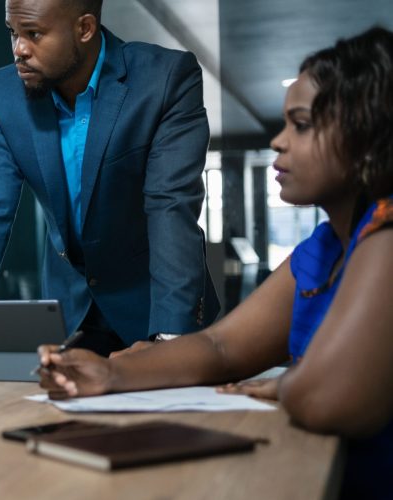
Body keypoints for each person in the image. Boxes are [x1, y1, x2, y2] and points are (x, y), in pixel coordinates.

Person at [37, 28, 393, 498]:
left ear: (367, 138)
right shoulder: (325, 247)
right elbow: (222, 348)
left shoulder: (385, 238)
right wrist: (111, 373)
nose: (280, 142)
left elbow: (328, 398)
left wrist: (288, 383)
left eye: (301, 125)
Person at [0, 0, 218, 367]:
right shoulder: (5, 93)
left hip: (154, 305)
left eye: (34, 34)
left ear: (84, 29)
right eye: (13, 33)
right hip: (71, 315)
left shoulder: (165, 78)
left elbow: (171, 207)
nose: (19, 49)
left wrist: (171, 337)